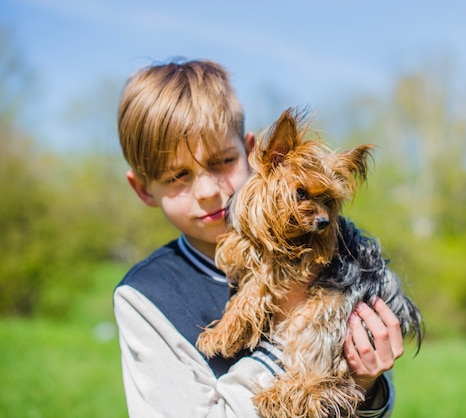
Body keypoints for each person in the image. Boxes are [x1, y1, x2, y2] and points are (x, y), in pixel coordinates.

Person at [113, 59, 407, 417]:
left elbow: (356, 399)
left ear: (255, 154)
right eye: (178, 176)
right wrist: (289, 332)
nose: (207, 190)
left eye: (222, 161)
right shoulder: (148, 297)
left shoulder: (325, 252)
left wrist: (366, 385)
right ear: (143, 189)